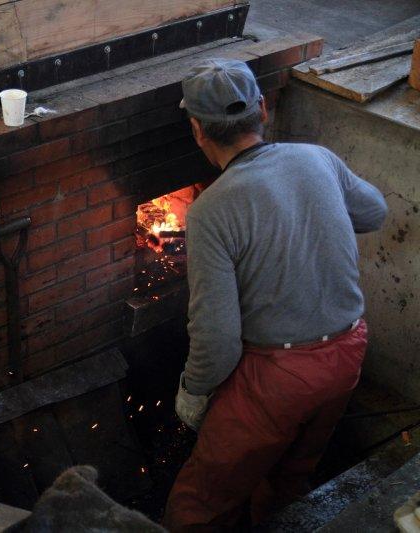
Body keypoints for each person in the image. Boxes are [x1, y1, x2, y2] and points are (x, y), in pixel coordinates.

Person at [163, 59, 388, 531]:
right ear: (262, 109)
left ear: (197, 130)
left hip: (278, 379)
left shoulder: (209, 211)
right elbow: (374, 212)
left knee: (199, 504)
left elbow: (217, 336)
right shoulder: (316, 158)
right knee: (290, 480)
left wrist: (194, 393)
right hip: (348, 354)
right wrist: (306, 217)